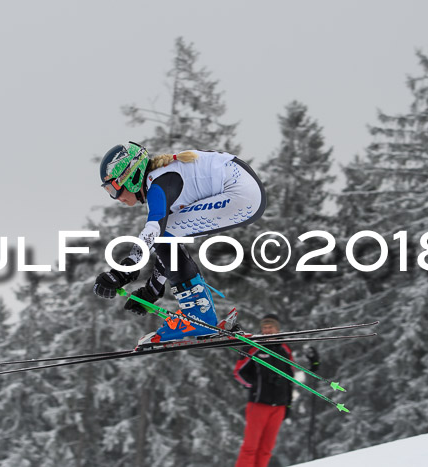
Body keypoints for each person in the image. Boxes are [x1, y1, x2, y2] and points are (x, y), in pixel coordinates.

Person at [92, 142, 266, 345]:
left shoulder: (158, 184)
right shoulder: (161, 178)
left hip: (241, 194)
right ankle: (200, 316)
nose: (116, 198)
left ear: (132, 177)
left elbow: (155, 229)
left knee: (163, 232)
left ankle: (199, 317)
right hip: (243, 190)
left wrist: (123, 272)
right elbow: (167, 245)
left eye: (114, 189)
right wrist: (152, 290)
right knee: (168, 233)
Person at [233, 314, 293, 467]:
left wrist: (288, 404)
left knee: (266, 449)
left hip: (279, 406)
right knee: (250, 447)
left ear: (277, 329)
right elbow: (239, 373)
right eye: (265, 327)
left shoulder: (285, 349)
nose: (267, 330)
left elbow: (290, 376)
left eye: (270, 327)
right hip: (258, 405)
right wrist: (256, 385)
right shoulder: (253, 347)